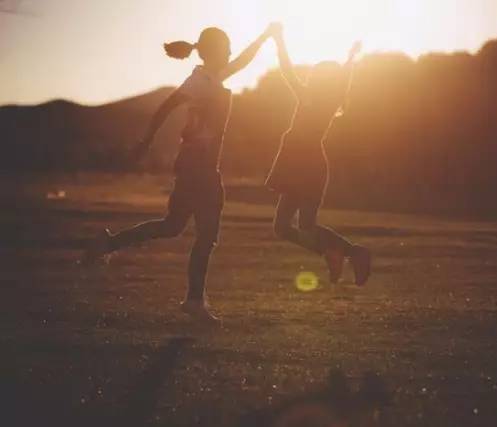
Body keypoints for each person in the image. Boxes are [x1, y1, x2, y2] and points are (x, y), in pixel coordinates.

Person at [82, 24, 278, 323]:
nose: (230, 53)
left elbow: (242, 61)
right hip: (198, 166)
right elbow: (166, 106)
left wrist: (265, 37)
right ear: (215, 51)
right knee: (205, 234)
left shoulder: (212, 77)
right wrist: (145, 141)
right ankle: (194, 300)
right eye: (226, 48)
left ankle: (109, 244)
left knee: (173, 226)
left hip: (196, 164)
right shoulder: (199, 81)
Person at [266, 24, 371, 286]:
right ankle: (341, 252)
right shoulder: (322, 97)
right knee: (291, 227)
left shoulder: (316, 98)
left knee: (295, 226)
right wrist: (350, 57)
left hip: (305, 164)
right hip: (301, 163)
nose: (311, 76)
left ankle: (348, 252)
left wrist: (279, 39)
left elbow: (287, 70)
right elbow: (340, 75)